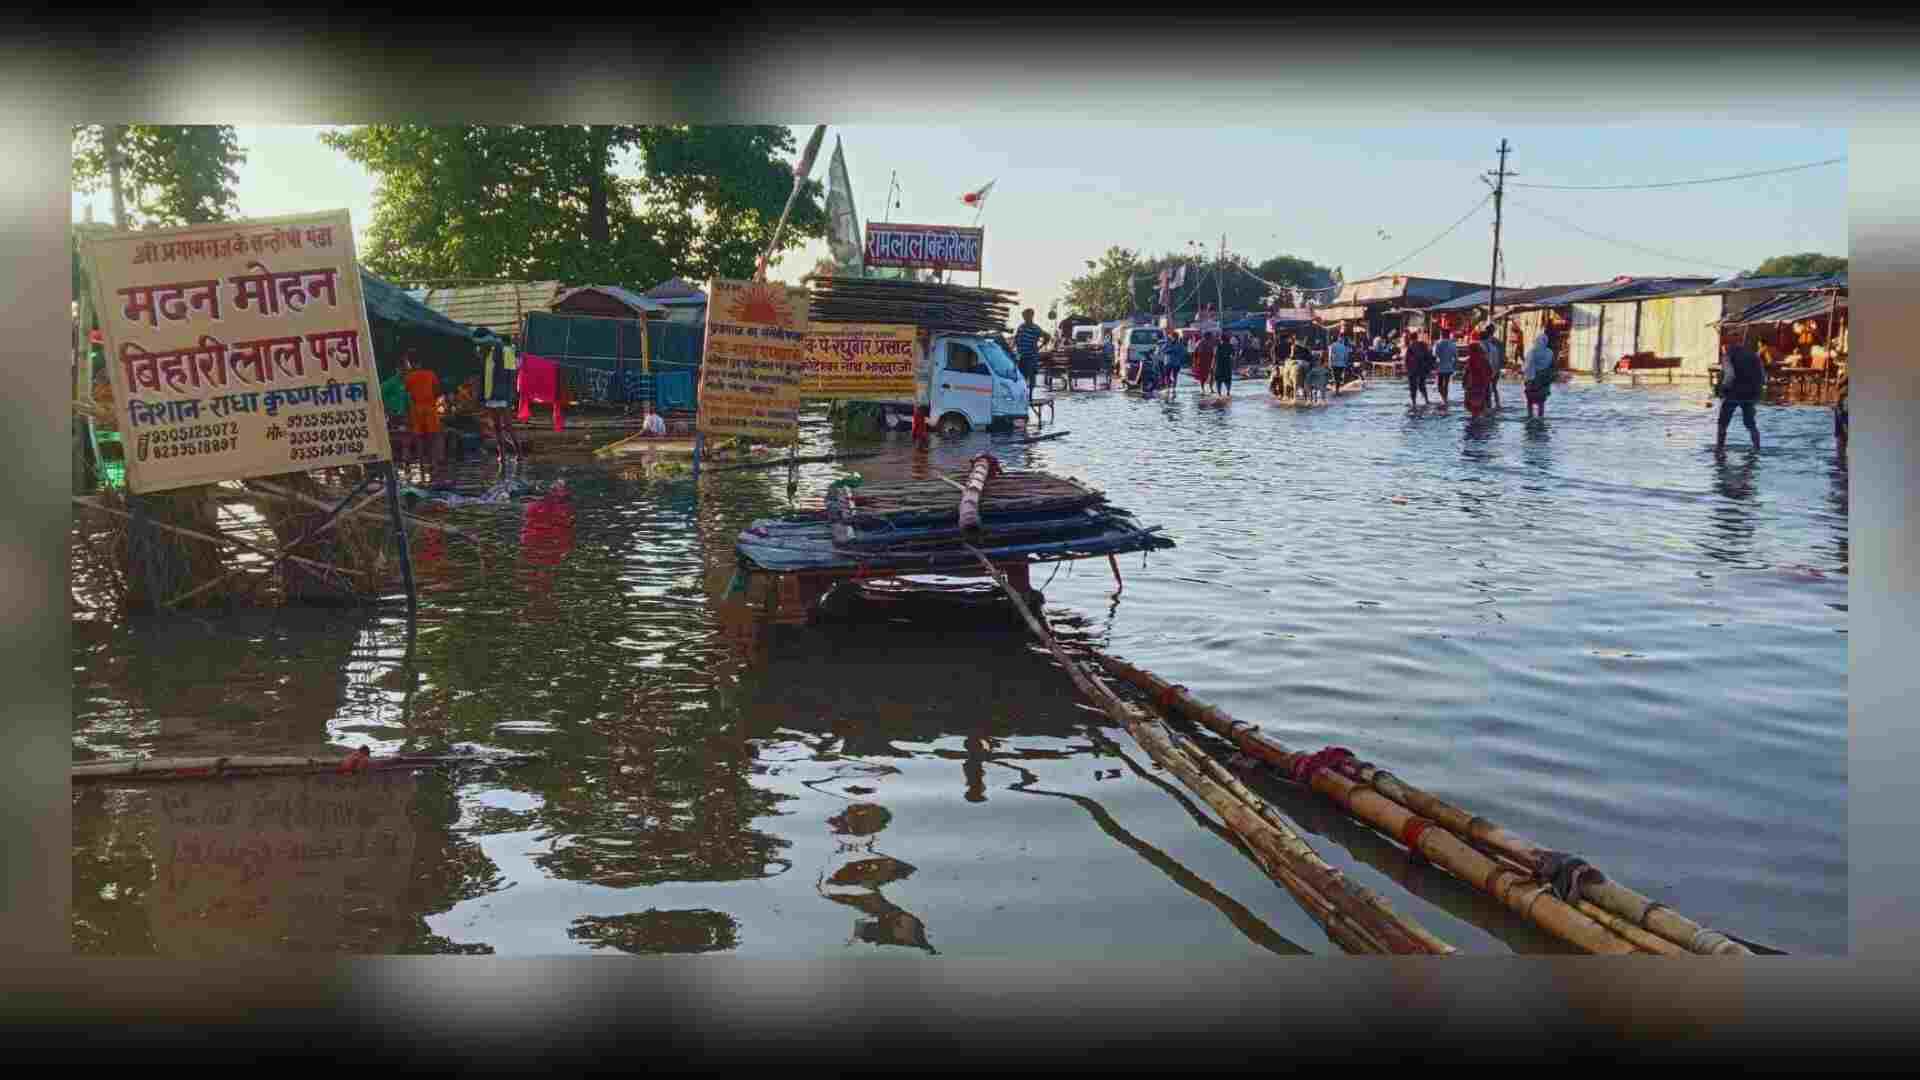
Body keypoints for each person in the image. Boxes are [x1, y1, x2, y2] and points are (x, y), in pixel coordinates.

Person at [402, 351, 445, 480]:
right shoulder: (431, 375)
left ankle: (421, 466)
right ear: (421, 363)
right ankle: (434, 464)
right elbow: (437, 391)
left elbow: (407, 393)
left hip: (416, 410)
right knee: (433, 437)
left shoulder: (408, 377)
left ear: (411, 363)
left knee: (419, 438)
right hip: (430, 409)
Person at [1716, 340, 1766, 451]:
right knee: (1751, 424)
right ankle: (1757, 448)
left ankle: (1719, 448)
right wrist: (1757, 391)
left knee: (1722, 424)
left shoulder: (1728, 356)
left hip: (1732, 394)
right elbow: (1763, 377)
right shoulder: (1754, 356)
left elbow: (1729, 375)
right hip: (1750, 395)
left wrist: (1722, 388)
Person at [1013, 308, 1051, 387]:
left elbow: (1047, 336)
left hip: (1031, 357)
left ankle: (1030, 396)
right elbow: (1016, 338)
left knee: (1031, 377)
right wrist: (1015, 346)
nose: (1025, 317)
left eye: (1026, 316)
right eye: (1024, 316)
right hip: (1021, 356)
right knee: (1021, 377)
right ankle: (1024, 395)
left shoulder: (1035, 328)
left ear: (1031, 316)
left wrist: (1040, 346)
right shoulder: (1021, 327)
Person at [1524, 330, 1556, 418]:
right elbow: (1552, 366)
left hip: (1532, 378)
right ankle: (1540, 418)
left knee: (1530, 401)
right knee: (1541, 402)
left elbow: (1527, 365)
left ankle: (1530, 416)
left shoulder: (1532, 351)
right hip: (1544, 379)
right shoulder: (1550, 352)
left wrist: (1527, 377)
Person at [1463, 337, 1494, 417]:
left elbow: (1466, 373)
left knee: (1473, 409)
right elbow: (1490, 372)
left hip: (1472, 386)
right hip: (1482, 386)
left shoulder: (1470, 360)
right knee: (1480, 407)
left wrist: (1464, 383)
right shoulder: (1484, 360)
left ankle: (1475, 421)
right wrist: (1487, 381)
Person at [1405, 330, 1434, 407]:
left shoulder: (1410, 347)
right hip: (1422, 369)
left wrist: (1407, 369)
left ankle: (1414, 403)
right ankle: (1426, 400)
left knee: (1413, 387)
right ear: (1417, 337)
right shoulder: (1422, 345)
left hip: (1413, 370)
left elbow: (1406, 360)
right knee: (1422, 385)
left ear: (1410, 338)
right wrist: (1429, 368)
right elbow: (1428, 356)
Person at [1433, 331, 1459, 405]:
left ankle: (1443, 399)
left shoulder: (1437, 343)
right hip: (1449, 367)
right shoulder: (1452, 344)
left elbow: (1434, 355)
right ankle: (1445, 398)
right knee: (1446, 384)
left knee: (1439, 385)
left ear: (1441, 335)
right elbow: (1456, 357)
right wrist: (1454, 366)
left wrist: (1434, 365)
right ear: (1448, 335)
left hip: (1440, 367)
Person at [1481, 326, 1504, 408]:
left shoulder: (1484, 342)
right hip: (1496, 368)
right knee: (1494, 387)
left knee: (1485, 387)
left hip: (1487, 369)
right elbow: (1501, 356)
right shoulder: (1498, 342)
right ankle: (1497, 404)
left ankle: (1487, 405)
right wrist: (1499, 368)